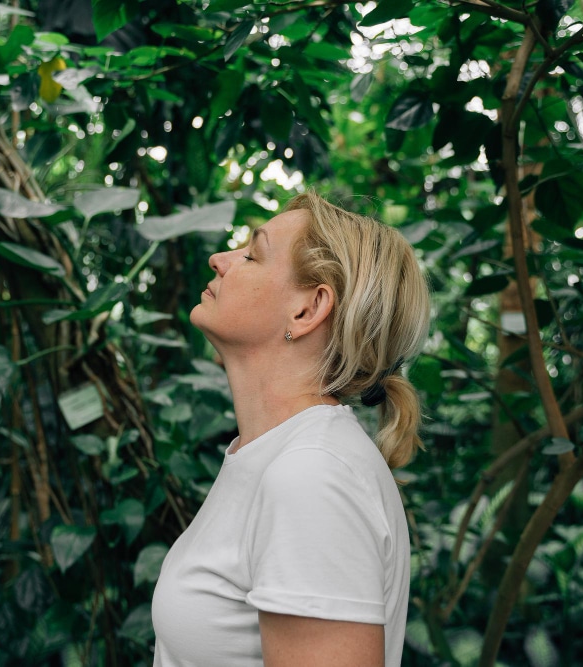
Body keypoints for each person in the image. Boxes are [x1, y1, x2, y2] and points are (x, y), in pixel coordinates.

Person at [150, 191, 431, 666]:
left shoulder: (312, 475)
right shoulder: (272, 455)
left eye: (252, 255)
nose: (220, 259)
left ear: (307, 310)